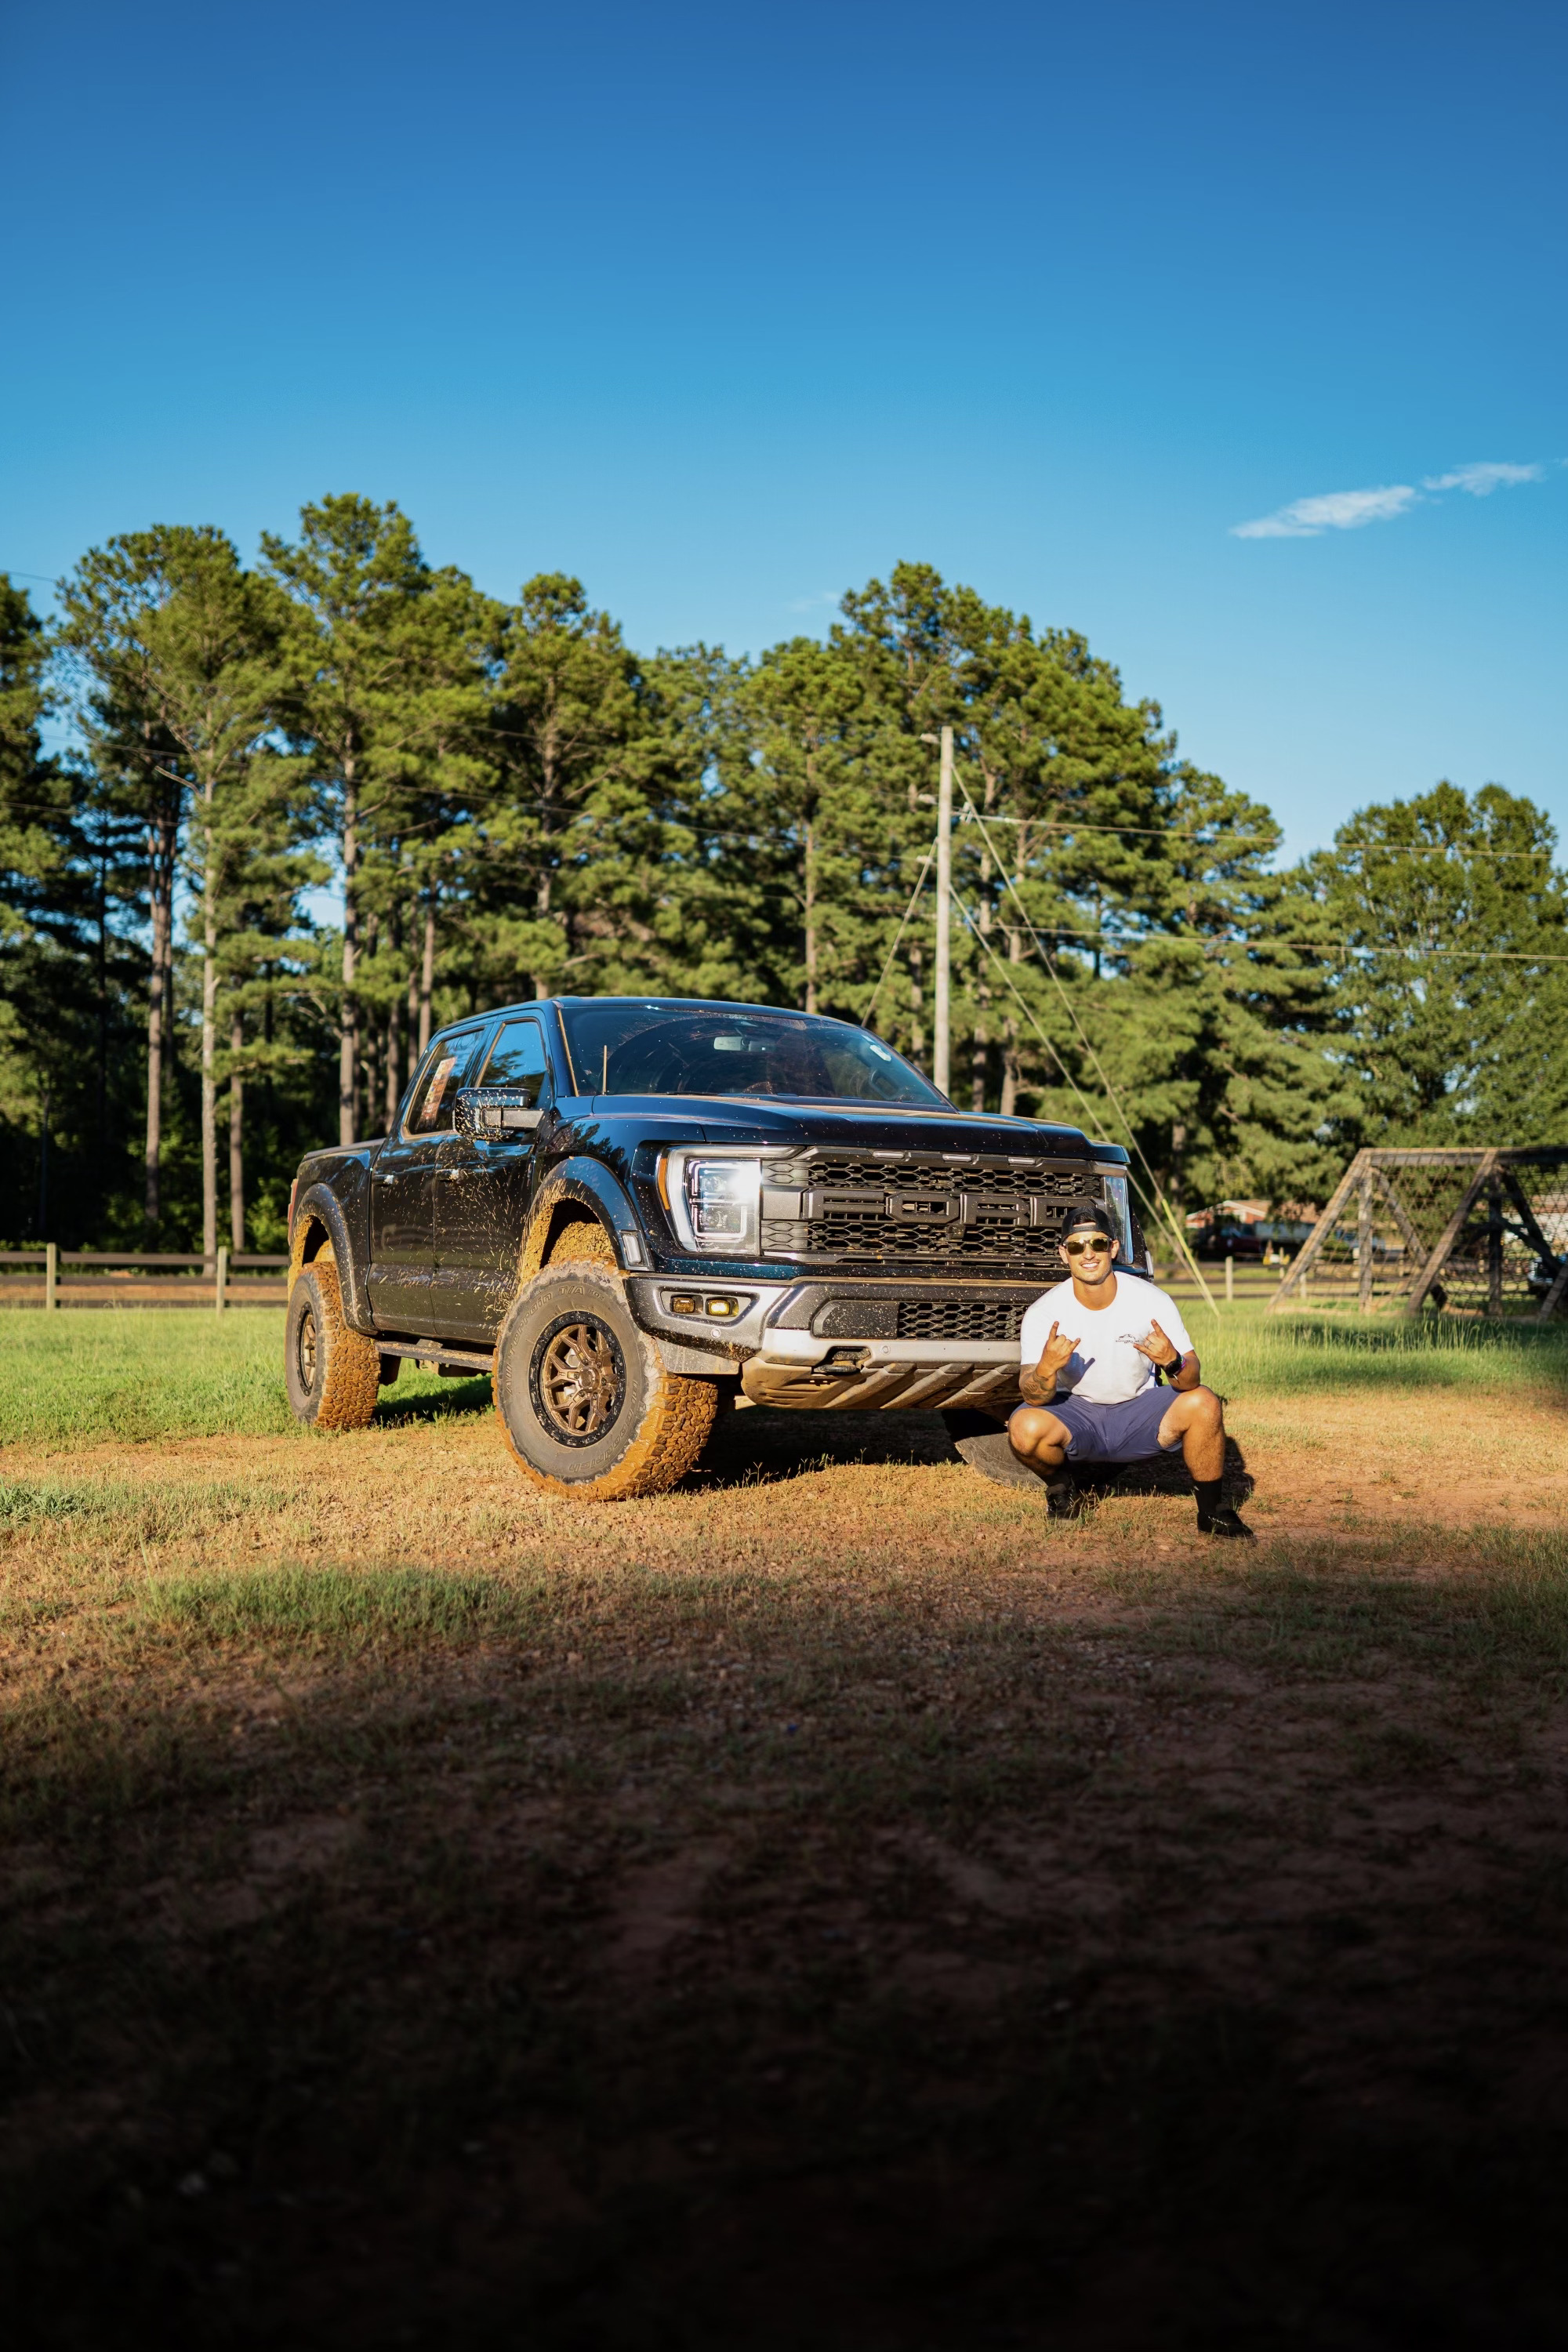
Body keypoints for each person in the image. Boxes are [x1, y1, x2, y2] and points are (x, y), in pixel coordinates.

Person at [1009, 1201, 1252, 1537]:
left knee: (1205, 1402)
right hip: (1080, 1414)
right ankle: (1064, 1490)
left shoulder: (1151, 1299)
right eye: (1077, 1246)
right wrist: (1046, 1370)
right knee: (1024, 1425)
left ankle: (1211, 1512)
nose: (1088, 1254)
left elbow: (1191, 1378)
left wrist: (1173, 1361)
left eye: (1097, 1243)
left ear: (1113, 1248)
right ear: (1064, 1254)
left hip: (1139, 1413)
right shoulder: (1042, 1313)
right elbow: (1032, 1395)